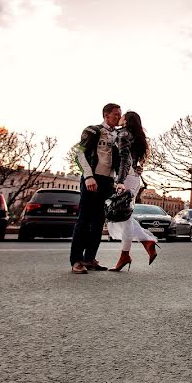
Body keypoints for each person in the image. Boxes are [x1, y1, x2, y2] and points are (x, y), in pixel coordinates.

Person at [68, 103, 123, 274]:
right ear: (106, 115)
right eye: (115, 114)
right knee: (84, 220)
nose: (118, 117)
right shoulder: (92, 130)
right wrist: (88, 176)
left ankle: (90, 258)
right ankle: (76, 260)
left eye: (119, 114)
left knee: (99, 221)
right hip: (93, 178)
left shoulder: (119, 135)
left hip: (108, 181)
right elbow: (79, 153)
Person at [107, 111, 158, 271]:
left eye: (122, 116)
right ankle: (145, 243)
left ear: (126, 120)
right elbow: (134, 159)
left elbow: (124, 158)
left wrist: (120, 180)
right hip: (134, 178)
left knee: (122, 216)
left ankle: (126, 254)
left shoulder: (124, 133)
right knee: (124, 216)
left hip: (125, 178)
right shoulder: (138, 136)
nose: (119, 118)